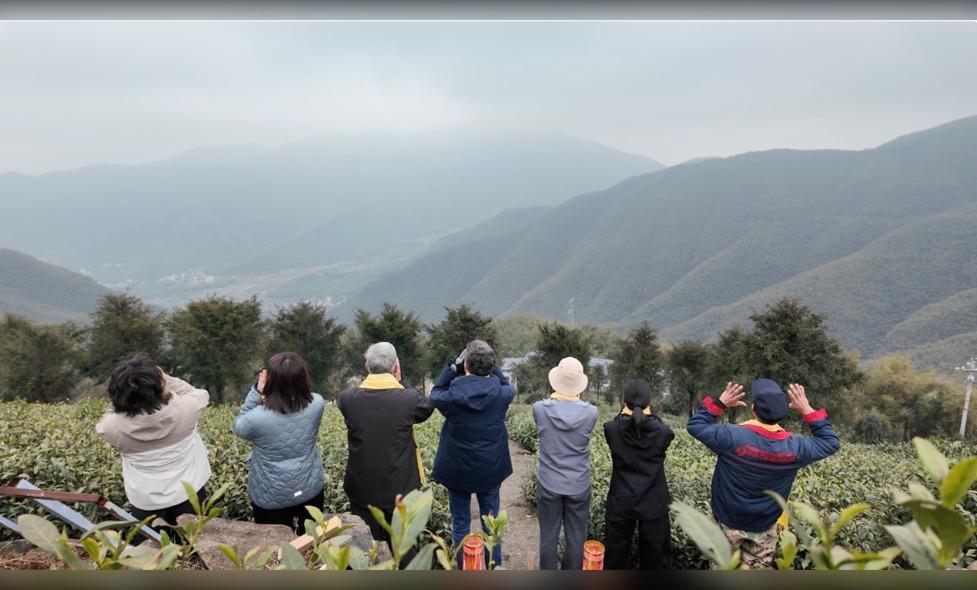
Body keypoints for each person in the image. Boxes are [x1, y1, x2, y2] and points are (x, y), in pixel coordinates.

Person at [686, 379, 840, 569]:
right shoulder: (795, 448)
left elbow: (696, 426)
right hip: (764, 526)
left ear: (753, 409)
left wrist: (721, 402)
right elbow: (831, 442)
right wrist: (806, 408)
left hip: (725, 522)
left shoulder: (732, 436)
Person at [337, 341, 434, 550]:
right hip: (401, 490)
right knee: (404, 551)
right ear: (396, 367)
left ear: (366, 367)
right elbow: (425, 408)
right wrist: (401, 381)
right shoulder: (408, 399)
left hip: (362, 489)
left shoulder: (347, 399)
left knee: (366, 551)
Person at [96, 356, 211, 525]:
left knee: (152, 549)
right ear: (160, 386)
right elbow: (196, 393)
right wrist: (166, 378)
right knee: (196, 547)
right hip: (191, 493)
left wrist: (125, 399)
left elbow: (114, 411)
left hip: (145, 502)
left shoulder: (110, 428)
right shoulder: (188, 410)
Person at [430, 340, 515, 568]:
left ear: (465, 364)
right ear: (491, 366)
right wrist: (491, 366)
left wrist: (451, 369)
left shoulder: (451, 396)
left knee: (460, 522)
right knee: (491, 521)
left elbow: (435, 392)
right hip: (490, 467)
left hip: (457, 469)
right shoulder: (502, 393)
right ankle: (494, 566)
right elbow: (507, 383)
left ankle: (463, 567)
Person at [232, 351, 325, 533]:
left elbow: (238, 426)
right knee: (311, 542)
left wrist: (257, 391)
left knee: (274, 550)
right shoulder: (317, 403)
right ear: (303, 378)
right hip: (309, 488)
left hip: (270, 496)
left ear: (270, 381)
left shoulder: (256, 418)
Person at [532, 356, 598, 570]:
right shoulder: (591, 412)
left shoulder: (540, 409)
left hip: (549, 481)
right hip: (579, 483)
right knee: (576, 537)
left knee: (548, 538)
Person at [603, 378, 675, 570]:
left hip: (620, 499)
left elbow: (620, 422)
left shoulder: (611, 429)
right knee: (657, 560)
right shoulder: (664, 433)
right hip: (654, 501)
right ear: (649, 403)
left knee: (614, 558)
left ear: (622, 401)